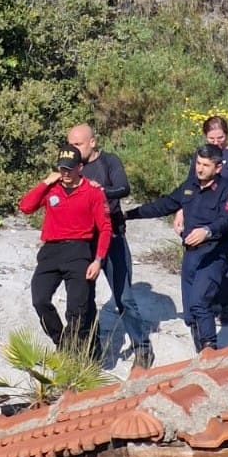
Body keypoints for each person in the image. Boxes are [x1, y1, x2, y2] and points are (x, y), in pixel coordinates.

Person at [125, 144, 228, 352]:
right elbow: (163, 205)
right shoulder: (190, 186)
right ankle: (201, 351)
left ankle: (210, 350)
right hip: (191, 254)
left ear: (218, 168)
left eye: (206, 165)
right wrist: (128, 215)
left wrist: (207, 231)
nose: (200, 168)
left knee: (199, 303)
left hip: (214, 253)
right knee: (190, 314)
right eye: (198, 163)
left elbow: (226, 220)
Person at [67, 124, 153, 368]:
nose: (73, 150)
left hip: (112, 237)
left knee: (123, 297)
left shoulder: (108, 162)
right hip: (84, 241)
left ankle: (142, 348)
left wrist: (99, 192)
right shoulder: (72, 166)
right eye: (70, 145)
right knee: (85, 298)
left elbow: (124, 188)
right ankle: (91, 351)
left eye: (78, 145)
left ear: (92, 142)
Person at [18, 144, 112, 357]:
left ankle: (74, 354)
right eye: (62, 168)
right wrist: (45, 182)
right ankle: (61, 341)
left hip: (78, 251)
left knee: (77, 311)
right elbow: (25, 206)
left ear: (80, 167)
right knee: (39, 299)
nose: (65, 173)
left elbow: (105, 228)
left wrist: (98, 260)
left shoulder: (93, 191)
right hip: (50, 251)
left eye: (70, 169)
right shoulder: (53, 187)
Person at [173, 116, 228, 324]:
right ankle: (204, 306)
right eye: (212, 138)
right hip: (199, 215)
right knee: (198, 263)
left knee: (222, 263)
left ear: (226, 135)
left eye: (220, 137)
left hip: (225, 217)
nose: (216, 142)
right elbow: (190, 185)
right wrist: (180, 212)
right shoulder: (202, 155)